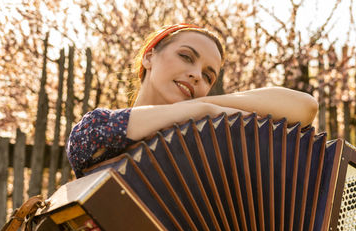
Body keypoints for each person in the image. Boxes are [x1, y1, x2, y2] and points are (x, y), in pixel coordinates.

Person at [67, 24, 318, 178]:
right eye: (186, 57)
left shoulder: (206, 143)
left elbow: (306, 107)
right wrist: (199, 108)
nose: (197, 75)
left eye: (208, 76)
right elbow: (83, 141)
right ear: (149, 57)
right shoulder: (98, 128)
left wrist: (195, 108)